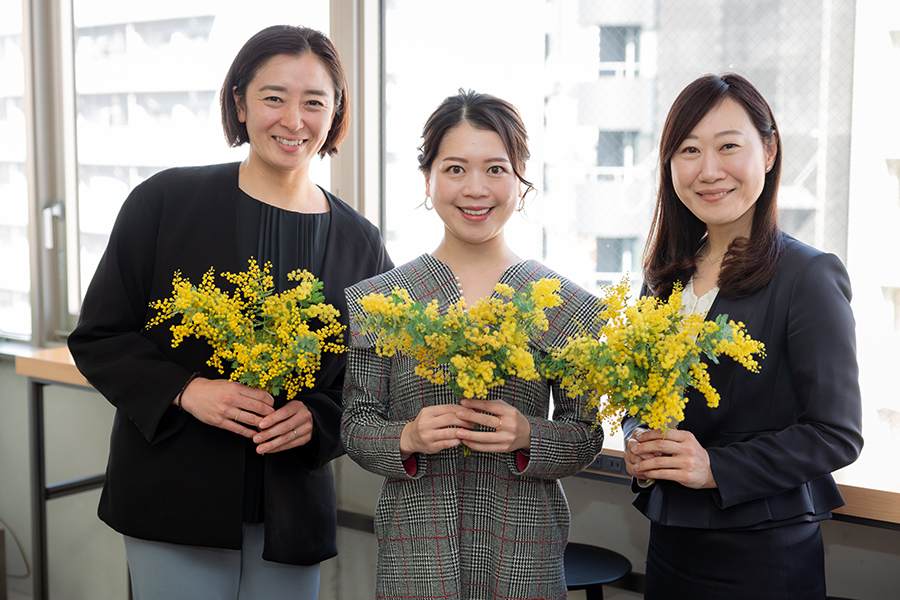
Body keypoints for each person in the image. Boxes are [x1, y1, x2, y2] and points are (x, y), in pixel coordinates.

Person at [67, 25, 392, 599]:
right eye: (274, 98)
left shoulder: (360, 243)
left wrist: (317, 420)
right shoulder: (165, 201)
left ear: (335, 113)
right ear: (239, 102)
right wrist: (187, 389)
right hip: (173, 496)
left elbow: (371, 384)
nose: (294, 120)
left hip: (291, 509)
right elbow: (99, 336)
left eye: (314, 101)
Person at [341, 89, 604, 600]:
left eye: (496, 169)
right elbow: (355, 424)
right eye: (456, 168)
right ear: (428, 179)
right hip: (417, 551)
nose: (475, 189)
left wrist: (529, 434)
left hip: (522, 553)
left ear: (521, 180)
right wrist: (409, 437)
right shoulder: (381, 300)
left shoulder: (568, 306)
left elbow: (586, 435)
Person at [623, 73, 863, 599]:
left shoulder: (808, 275)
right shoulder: (664, 275)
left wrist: (714, 467)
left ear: (770, 150)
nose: (708, 170)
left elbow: (836, 433)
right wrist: (639, 441)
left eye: (728, 146)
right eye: (688, 150)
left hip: (760, 553)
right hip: (669, 542)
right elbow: (643, 395)